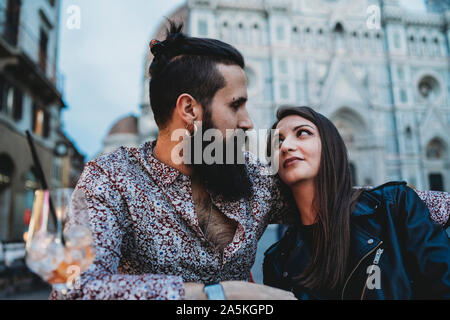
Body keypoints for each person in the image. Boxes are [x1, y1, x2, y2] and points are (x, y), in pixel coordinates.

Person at [50, 22, 446, 300]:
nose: (249, 122)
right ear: (189, 109)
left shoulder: (252, 181)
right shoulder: (112, 178)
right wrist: (217, 295)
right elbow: (72, 289)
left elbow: (351, 199)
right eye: (236, 105)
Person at [263, 106, 450, 300]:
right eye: (278, 142)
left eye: (302, 133)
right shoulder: (278, 261)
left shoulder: (394, 206)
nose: (285, 147)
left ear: (331, 145)